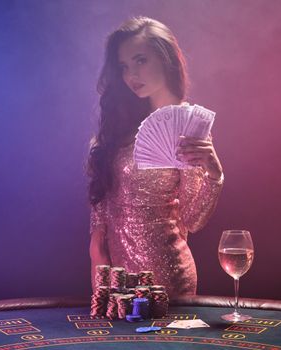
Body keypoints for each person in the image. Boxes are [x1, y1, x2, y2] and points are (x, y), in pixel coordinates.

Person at [87, 16, 224, 299]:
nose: (131, 75)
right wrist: (99, 264)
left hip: (167, 278)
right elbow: (102, 211)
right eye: (124, 66)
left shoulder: (187, 126)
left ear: (167, 59)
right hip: (116, 279)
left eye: (140, 60)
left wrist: (215, 176)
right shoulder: (120, 125)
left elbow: (192, 220)